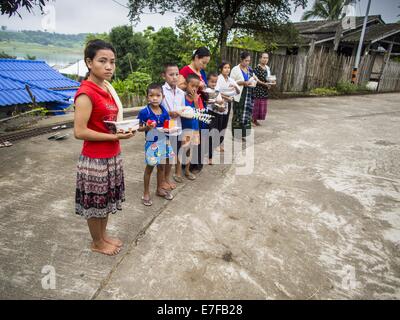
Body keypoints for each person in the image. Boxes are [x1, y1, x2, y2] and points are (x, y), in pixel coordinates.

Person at [74, 39, 135, 256]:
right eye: (103, 61)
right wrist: (113, 137)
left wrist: (122, 132)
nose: (109, 66)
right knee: (96, 204)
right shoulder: (86, 93)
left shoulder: (107, 89)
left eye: (112, 62)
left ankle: (103, 236)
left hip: (112, 155)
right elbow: (79, 131)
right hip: (95, 159)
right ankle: (96, 242)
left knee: (106, 200)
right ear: (89, 63)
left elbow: (108, 124)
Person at [137, 84, 175, 207]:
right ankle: (146, 193)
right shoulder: (145, 112)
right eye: (151, 95)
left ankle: (159, 189)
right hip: (152, 143)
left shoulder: (164, 110)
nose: (154, 98)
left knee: (161, 167)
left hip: (164, 142)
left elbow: (167, 125)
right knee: (150, 168)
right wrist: (147, 127)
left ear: (162, 97)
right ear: (147, 97)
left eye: (158, 95)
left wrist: (170, 129)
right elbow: (139, 128)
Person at [178, 47, 211, 173]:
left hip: (201, 106)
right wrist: (194, 86)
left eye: (206, 63)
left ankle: (196, 163)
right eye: (203, 62)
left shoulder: (201, 72)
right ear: (196, 58)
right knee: (189, 136)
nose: (204, 66)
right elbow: (179, 87)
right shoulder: (185, 70)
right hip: (190, 108)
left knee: (200, 135)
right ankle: (187, 165)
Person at [162, 63, 186, 186]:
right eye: (171, 74)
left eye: (177, 74)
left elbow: (182, 109)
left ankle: (167, 178)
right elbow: (156, 109)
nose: (175, 77)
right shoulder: (161, 91)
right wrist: (168, 113)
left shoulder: (181, 93)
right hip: (165, 130)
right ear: (164, 76)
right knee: (165, 157)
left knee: (172, 156)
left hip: (177, 129)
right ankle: (163, 180)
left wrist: (182, 112)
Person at [181, 74, 204, 180]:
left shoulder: (198, 99)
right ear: (186, 85)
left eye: (197, 86)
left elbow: (199, 114)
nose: (194, 88)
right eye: (192, 85)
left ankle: (187, 170)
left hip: (194, 128)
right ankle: (177, 170)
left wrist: (195, 101)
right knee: (182, 149)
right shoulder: (182, 97)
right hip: (183, 128)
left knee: (190, 150)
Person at [230, 51, 257, 140]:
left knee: (246, 115)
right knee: (238, 114)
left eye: (249, 61)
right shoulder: (235, 69)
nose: (247, 62)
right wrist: (242, 83)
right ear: (241, 60)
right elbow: (231, 82)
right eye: (246, 60)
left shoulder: (250, 69)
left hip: (248, 94)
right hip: (239, 95)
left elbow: (254, 79)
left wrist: (253, 82)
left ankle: (243, 134)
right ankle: (236, 135)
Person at [214, 61, 240, 153]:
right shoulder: (218, 79)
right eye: (225, 67)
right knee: (218, 123)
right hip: (219, 103)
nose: (227, 69)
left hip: (228, 103)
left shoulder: (231, 80)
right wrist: (227, 97)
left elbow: (238, 91)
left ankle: (220, 143)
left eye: (228, 68)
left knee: (224, 123)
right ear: (221, 69)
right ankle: (215, 144)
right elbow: (216, 91)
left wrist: (235, 87)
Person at [205, 72, 225, 165]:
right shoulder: (206, 90)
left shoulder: (217, 90)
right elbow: (211, 101)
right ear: (207, 81)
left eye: (215, 82)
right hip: (209, 115)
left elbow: (221, 103)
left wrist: (222, 106)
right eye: (212, 82)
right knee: (210, 136)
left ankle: (210, 155)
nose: (213, 84)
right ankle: (209, 157)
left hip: (218, 115)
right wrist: (219, 102)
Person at [253, 52, 275, 126]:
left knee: (262, 106)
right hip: (258, 89)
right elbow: (255, 79)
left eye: (267, 58)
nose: (265, 59)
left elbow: (269, 78)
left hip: (265, 90)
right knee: (256, 105)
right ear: (260, 59)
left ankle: (255, 119)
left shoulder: (267, 68)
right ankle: (253, 119)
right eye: (264, 58)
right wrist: (264, 84)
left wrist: (271, 82)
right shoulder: (257, 68)